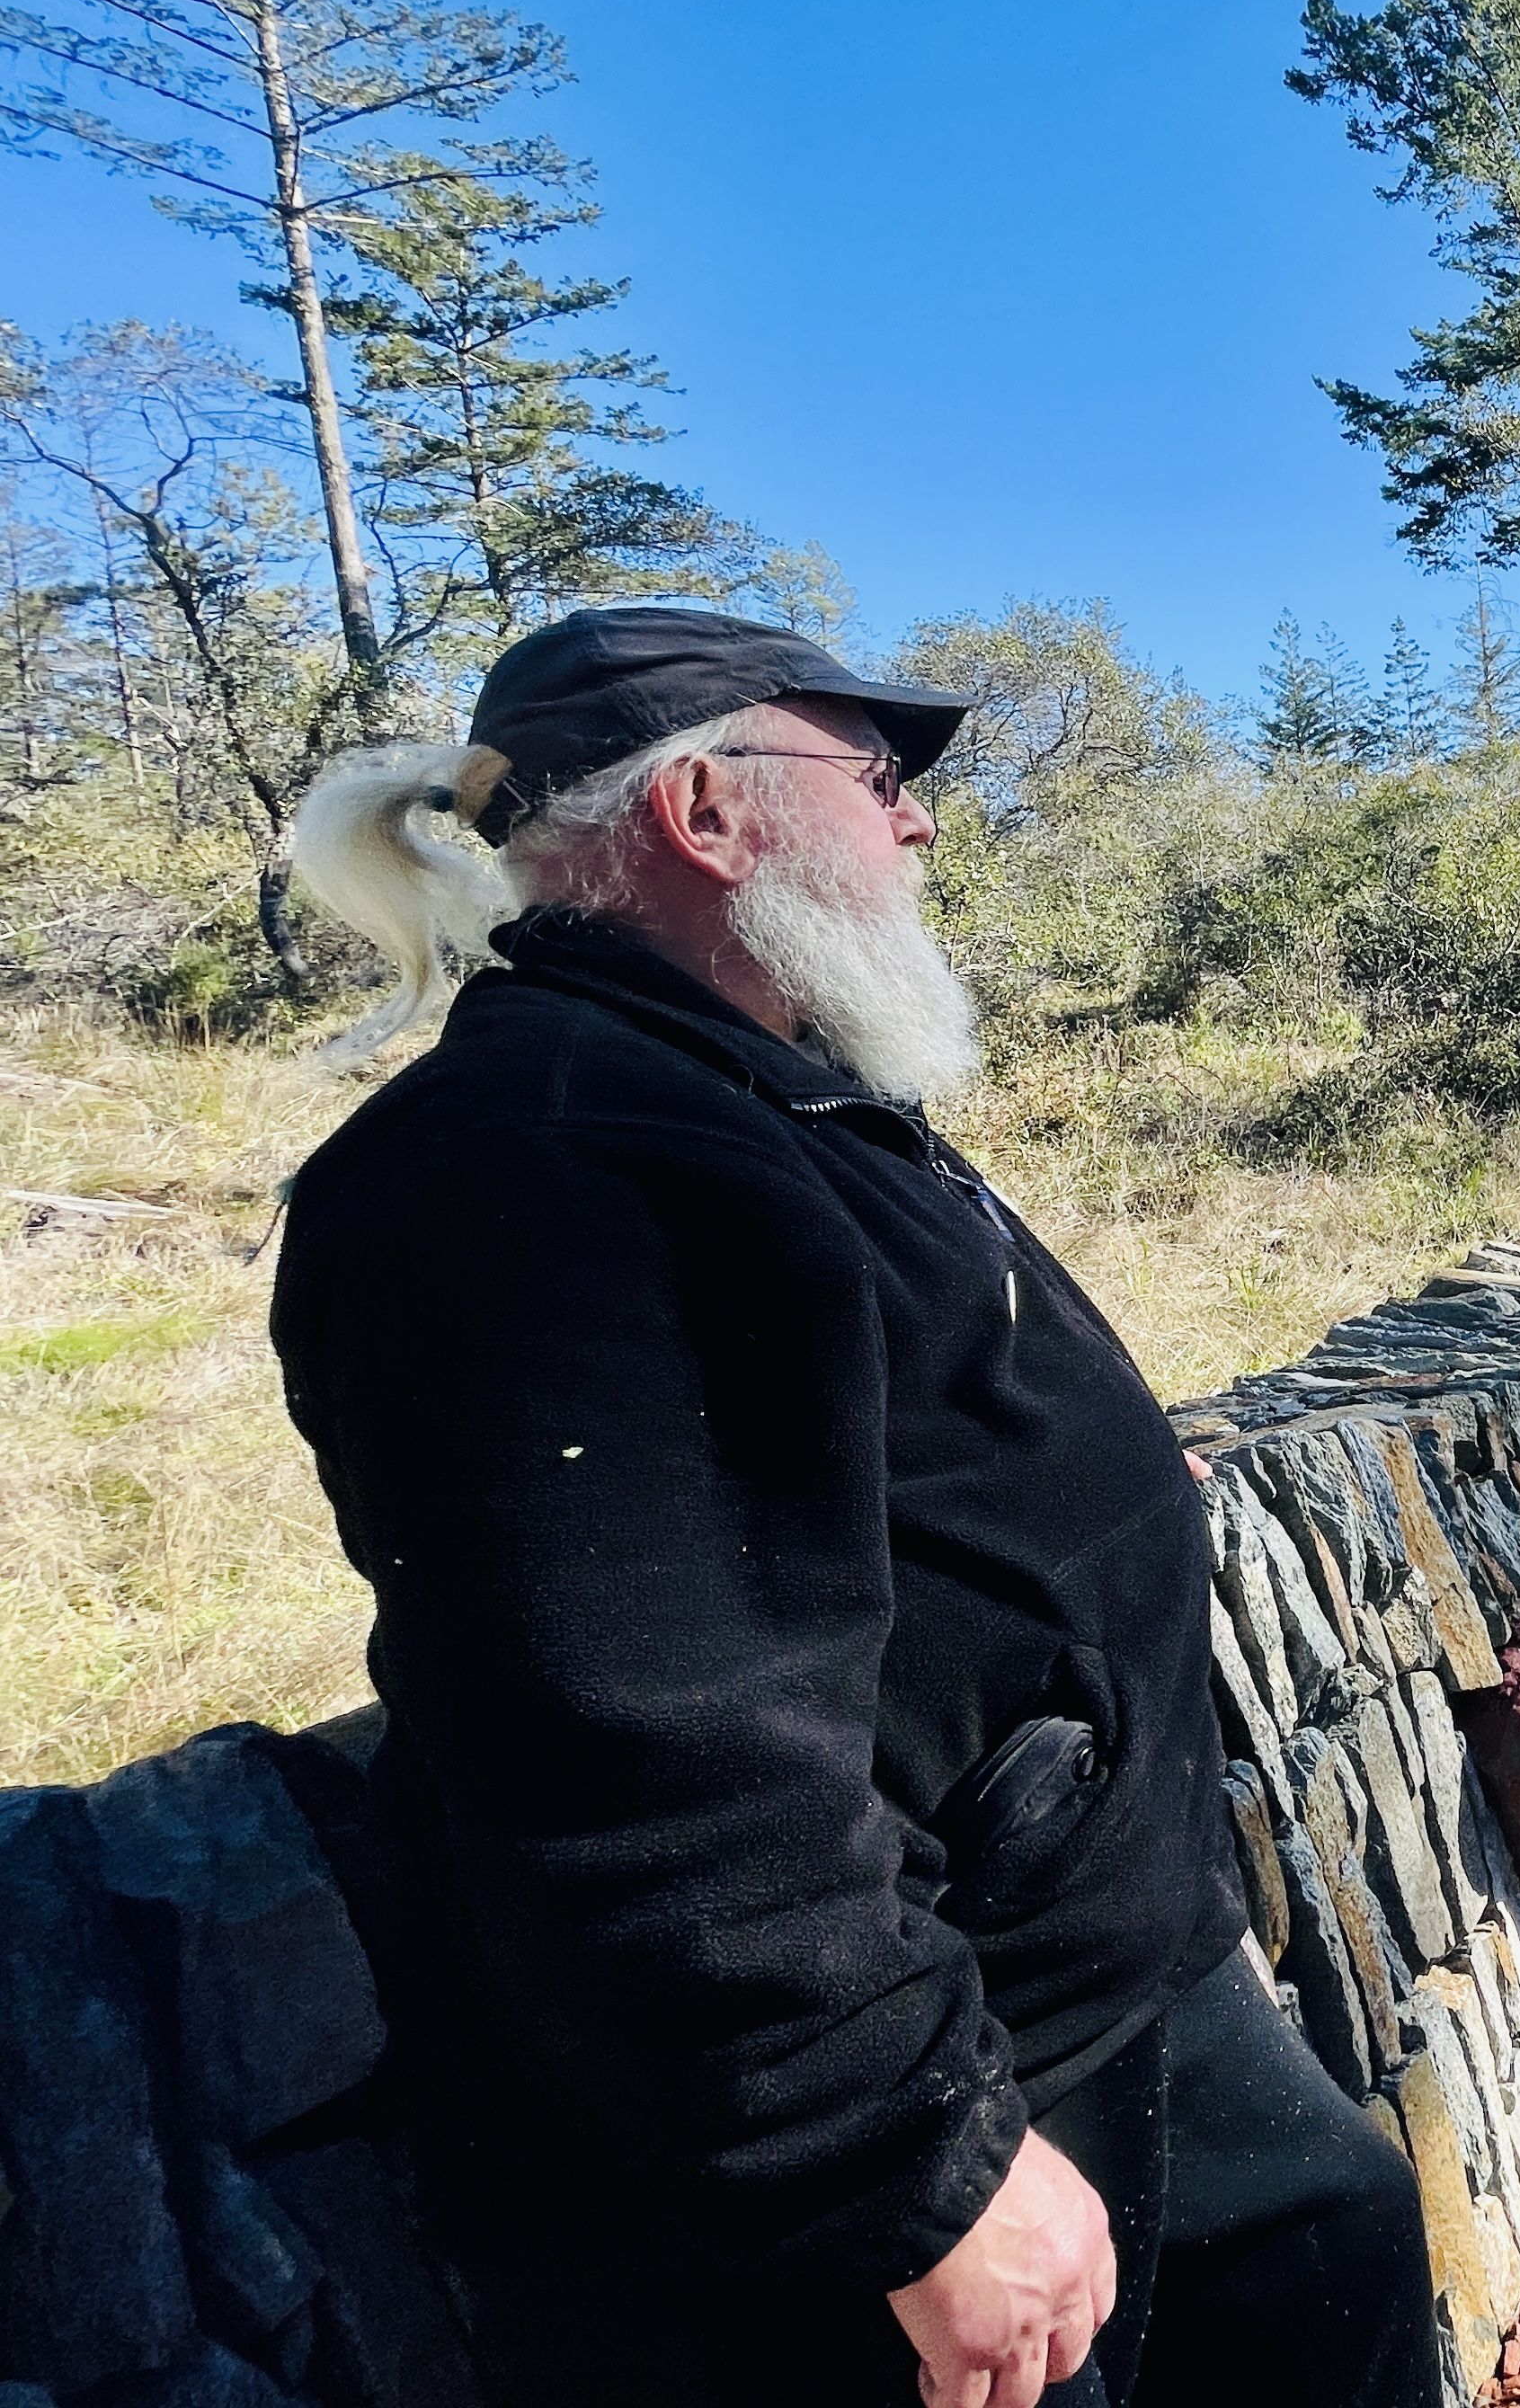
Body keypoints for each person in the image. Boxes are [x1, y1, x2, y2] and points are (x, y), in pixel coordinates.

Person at [272, 608, 1435, 2408]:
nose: (920, 818)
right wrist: (906, 2168)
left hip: (1097, 1984)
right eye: (877, 774)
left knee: (1335, 2278)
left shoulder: (737, 1088)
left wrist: (1095, 1494)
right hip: (956, 2081)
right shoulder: (543, 1156)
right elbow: (628, 1742)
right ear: (703, 812)